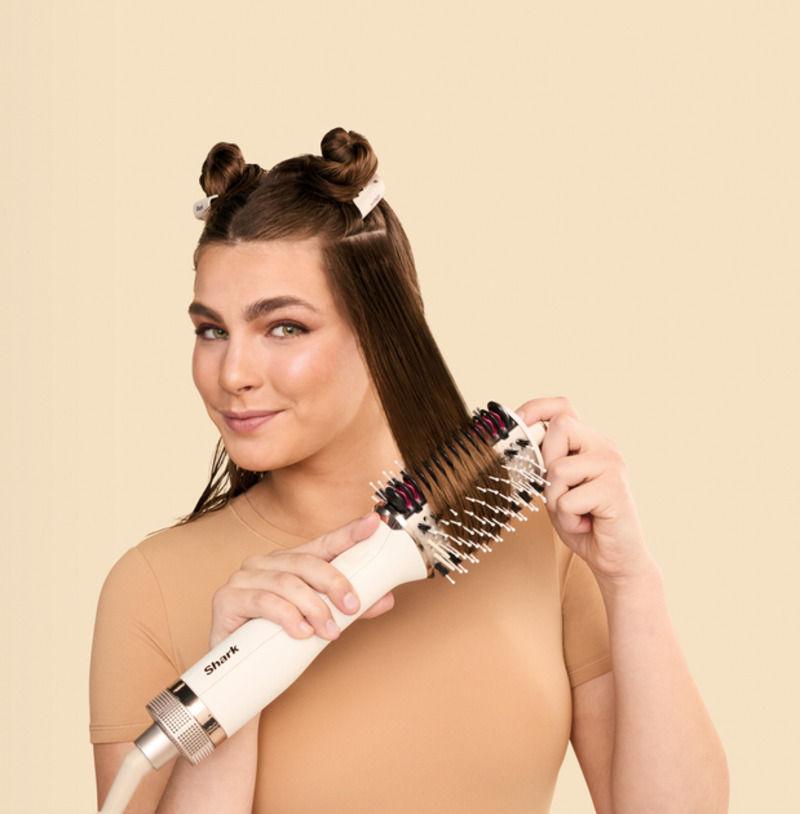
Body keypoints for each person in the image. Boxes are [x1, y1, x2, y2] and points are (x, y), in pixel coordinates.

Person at [90, 128, 708, 813]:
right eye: (212, 330)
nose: (232, 373)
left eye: (285, 327)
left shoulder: (545, 538)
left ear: (384, 330)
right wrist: (233, 689)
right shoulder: (150, 588)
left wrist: (632, 580)